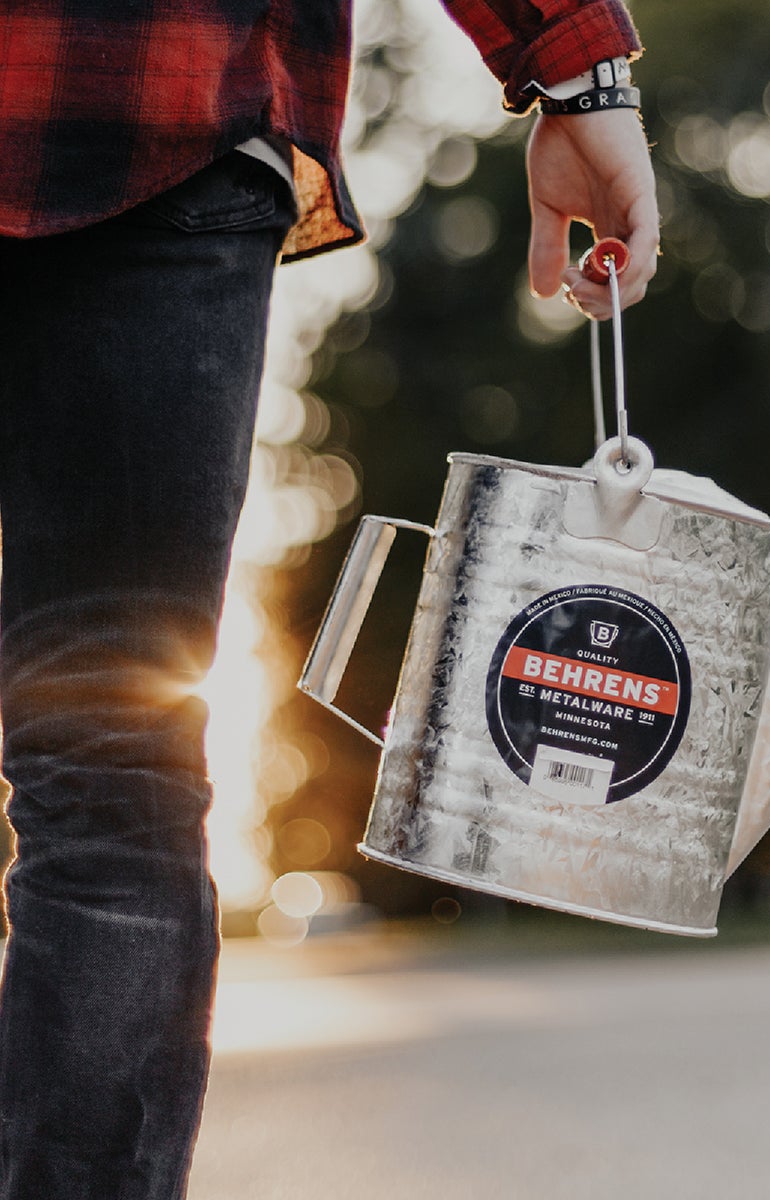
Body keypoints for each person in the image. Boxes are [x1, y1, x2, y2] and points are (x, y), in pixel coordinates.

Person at [0, 1, 658, 1195]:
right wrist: (577, 72)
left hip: (148, 114)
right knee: (107, 767)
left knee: (110, 766)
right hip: (155, 99)